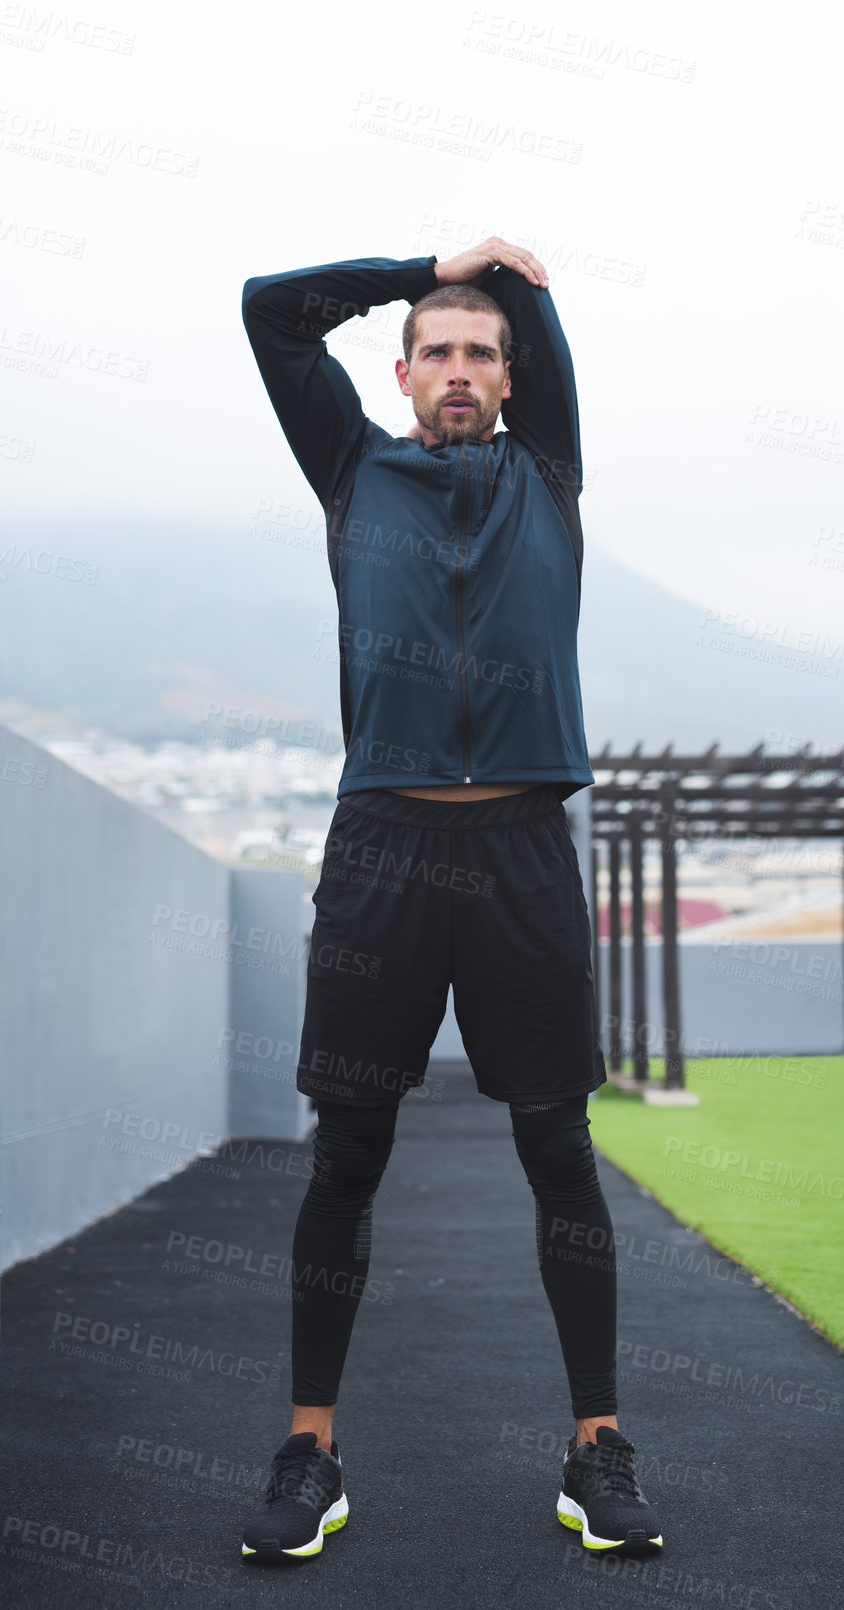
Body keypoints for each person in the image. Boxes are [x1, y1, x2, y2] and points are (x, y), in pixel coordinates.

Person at [237, 237, 663, 1562]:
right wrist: (427, 261)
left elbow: (534, 319)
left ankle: (598, 1451)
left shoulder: (549, 471)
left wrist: (510, 280)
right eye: (441, 350)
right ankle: (310, 1452)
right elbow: (271, 313)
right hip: (382, 855)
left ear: (510, 374)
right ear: (405, 370)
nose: (464, 369)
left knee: (558, 1154)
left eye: (485, 351)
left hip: (525, 850)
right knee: (347, 1157)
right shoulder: (353, 468)